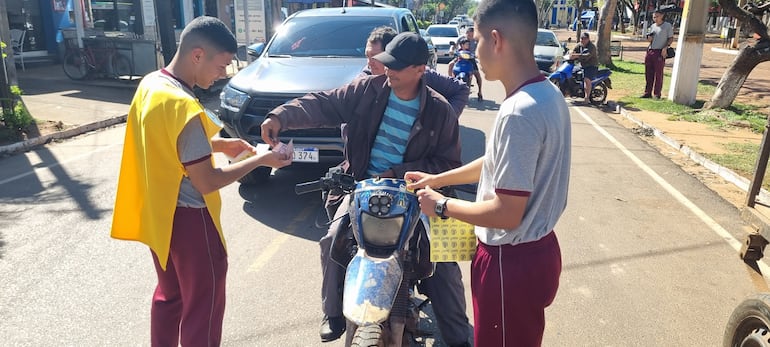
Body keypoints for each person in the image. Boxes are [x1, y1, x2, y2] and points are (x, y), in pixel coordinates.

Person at [261, 32, 471, 347]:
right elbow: (325, 103)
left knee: (444, 266)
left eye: (397, 67)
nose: (388, 71)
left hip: (415, 195)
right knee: (332, 240)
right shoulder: (366, 90)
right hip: (361, 187)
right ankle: (333, 313)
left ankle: (459, 338)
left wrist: (399, 173)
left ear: (420, 70)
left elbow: (446, 164)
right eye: (387, 63)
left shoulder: (440, 111)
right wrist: (281, 115)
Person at [111, 17, 291, 346]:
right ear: (197, 55)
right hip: (193, 223)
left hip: (159, 216)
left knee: (170, 298)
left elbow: (165, 145)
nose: (223, 74)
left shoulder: (153, 86)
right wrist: (262, 159)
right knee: (202, 312)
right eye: (221, 65)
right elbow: (207, 181)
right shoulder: (183, 106)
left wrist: (221, 144)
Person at [404, 0, 571, 345]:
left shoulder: (518, 113)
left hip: (509, 263)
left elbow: (506, 213)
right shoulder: (546, 94)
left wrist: (440, 206)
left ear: (496, 40)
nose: (473, 49)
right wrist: (437, 181)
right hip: (536, 253)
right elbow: (499, 162)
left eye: (477, 40)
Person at [363, 26, 470, 116]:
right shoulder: (363, 81)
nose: (369, 63)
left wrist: (445, 122)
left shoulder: (420, 75)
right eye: (367, 56)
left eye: (374, 57)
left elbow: (461, 90)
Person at [642, 10, 674, 99]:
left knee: (658, 73)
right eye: (654, 17)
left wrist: (666, 47)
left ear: (662, 16)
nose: (655, 19)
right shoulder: (652, 26)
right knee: (648, 72)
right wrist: (649, 38)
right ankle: (647, 92)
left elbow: (671, 38)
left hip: (660, 52)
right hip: (650, 50)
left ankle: (657, 93)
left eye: (657, 16)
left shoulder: (667, 26)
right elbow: (649, 40)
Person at [448, 26, 484, 101]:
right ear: (466, 33)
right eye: (469, 35)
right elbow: (454, 45)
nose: (470, 37)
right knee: (450, 64)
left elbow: (481, 48)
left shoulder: (476, 40)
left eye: (472, 35)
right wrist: (451, 50)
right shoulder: (461, 39)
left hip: (470, 59)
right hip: (460, 58)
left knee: (477, 74)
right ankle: (450, 81)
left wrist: (479, 55)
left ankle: (480, 91)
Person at [570, 32, 598, 104]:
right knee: (572, 72)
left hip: (591, 66)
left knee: (586, 79)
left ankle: (586, 98)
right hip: (582, 65)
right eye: (582, 38)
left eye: (585, 39)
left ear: (588, 39)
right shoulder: (579, 45)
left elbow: (587, 55)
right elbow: (573, 51)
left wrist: (577, 56)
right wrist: (570, 53)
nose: (583, 40)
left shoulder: (592, 47)